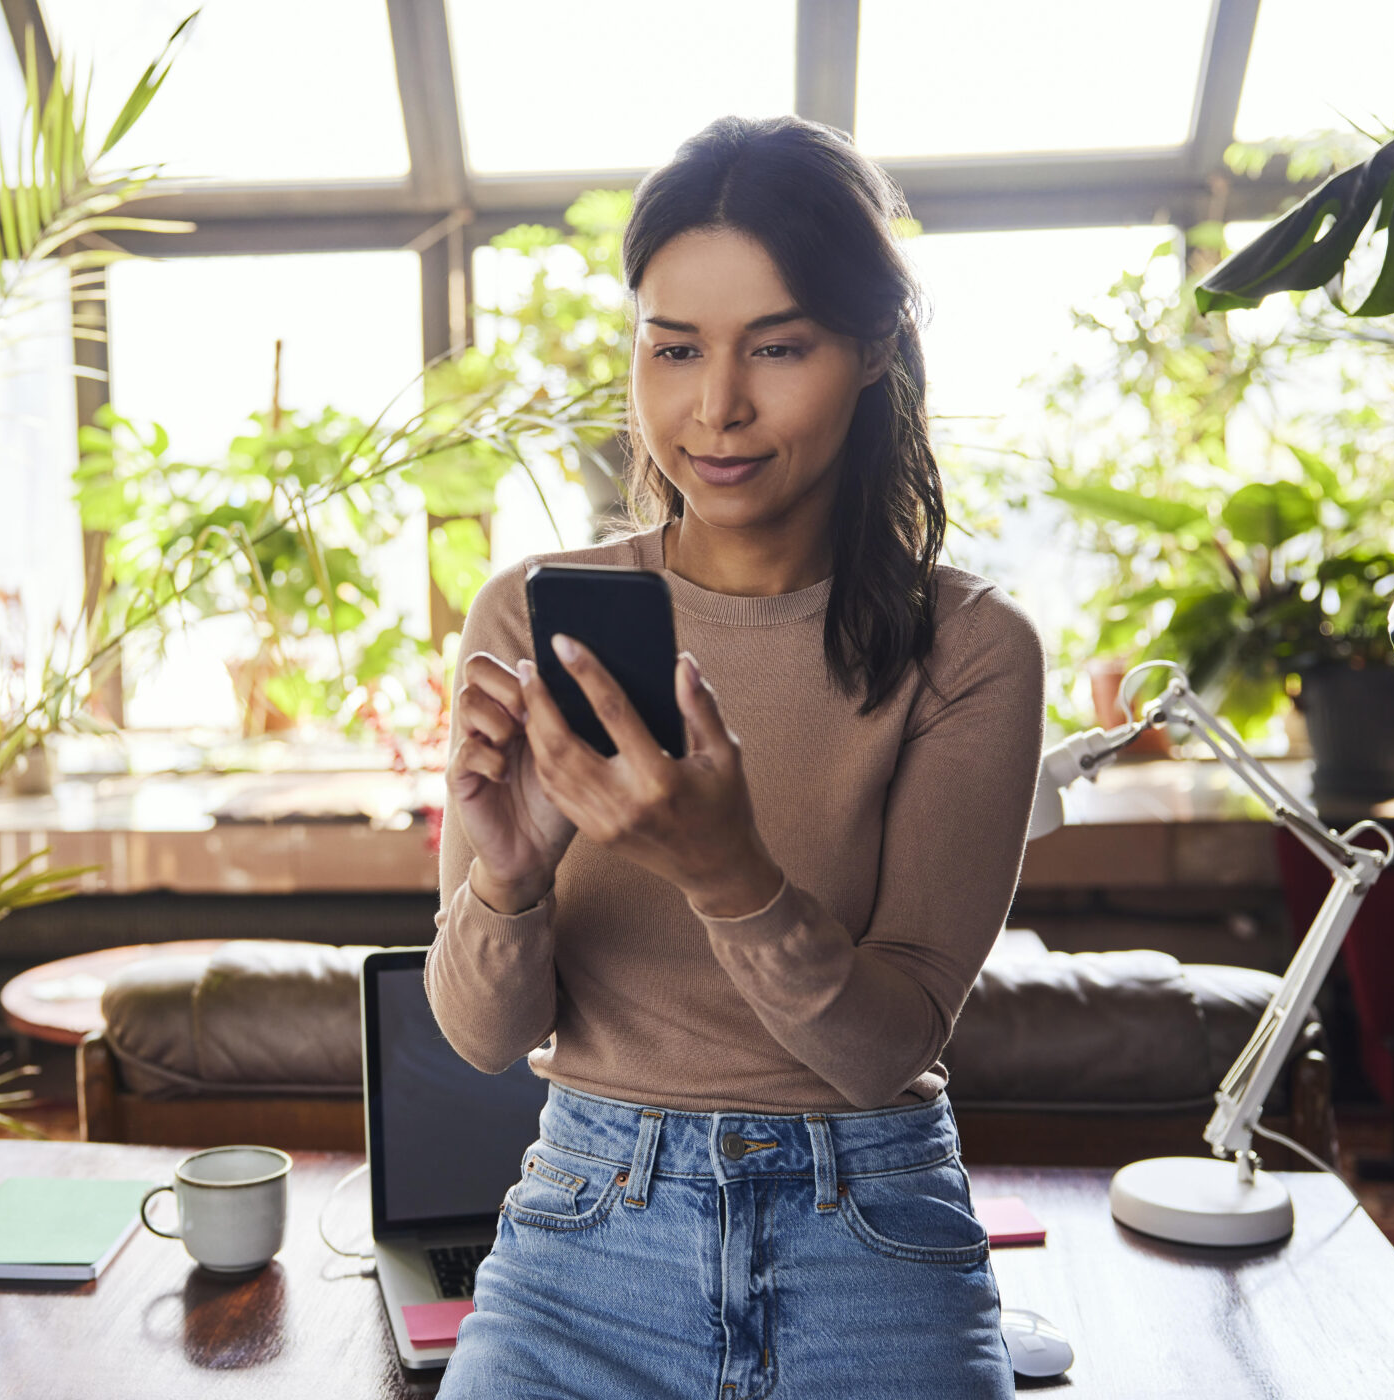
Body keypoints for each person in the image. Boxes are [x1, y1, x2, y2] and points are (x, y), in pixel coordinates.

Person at [425, 113, 1045, 1400]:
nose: (715, 408)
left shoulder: (973, 649)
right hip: (587, 1228)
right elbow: (486, 1038)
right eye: (673, 348)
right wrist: (509, 879)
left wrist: (730, 874)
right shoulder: (531, 612)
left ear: (873, 347)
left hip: (871, 1223)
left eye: (779, 346)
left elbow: (885, 1048)